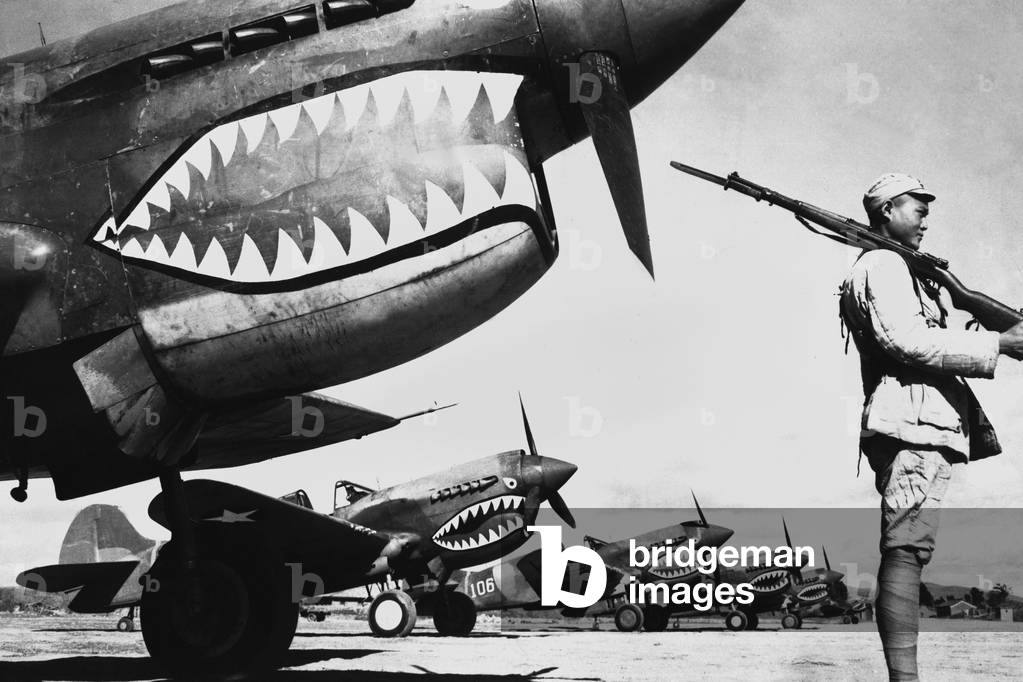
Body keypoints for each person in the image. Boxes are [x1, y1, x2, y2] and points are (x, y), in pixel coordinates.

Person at [839, 173, 1023, 681]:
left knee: (910, 550)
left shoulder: (906, 268)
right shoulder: (882, 263)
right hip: (911, 426)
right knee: (905, 551)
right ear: (886, 212)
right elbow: (908, 341)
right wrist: (999, 345)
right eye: (916, 208)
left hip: (920, 424)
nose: (925, 217)